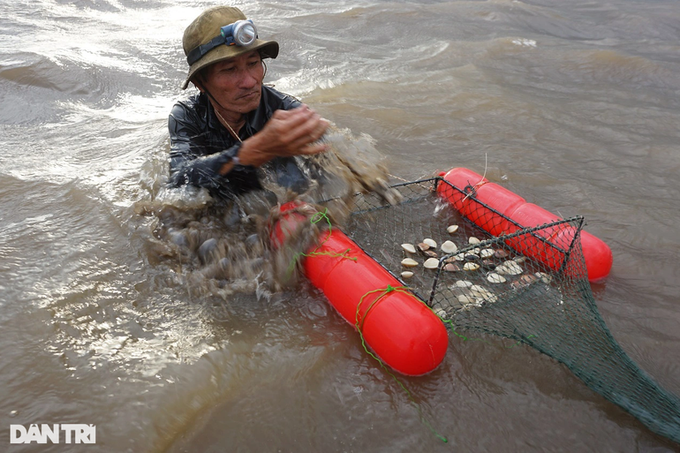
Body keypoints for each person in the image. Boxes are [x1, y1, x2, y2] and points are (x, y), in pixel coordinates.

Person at [168, 6, 330, 199]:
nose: (250, 82)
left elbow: (320, 187)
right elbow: (178, 179)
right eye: (229, 69)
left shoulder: (287, 112)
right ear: (200, 83)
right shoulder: (188, 115)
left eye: (253, 63)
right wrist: (249, 152)